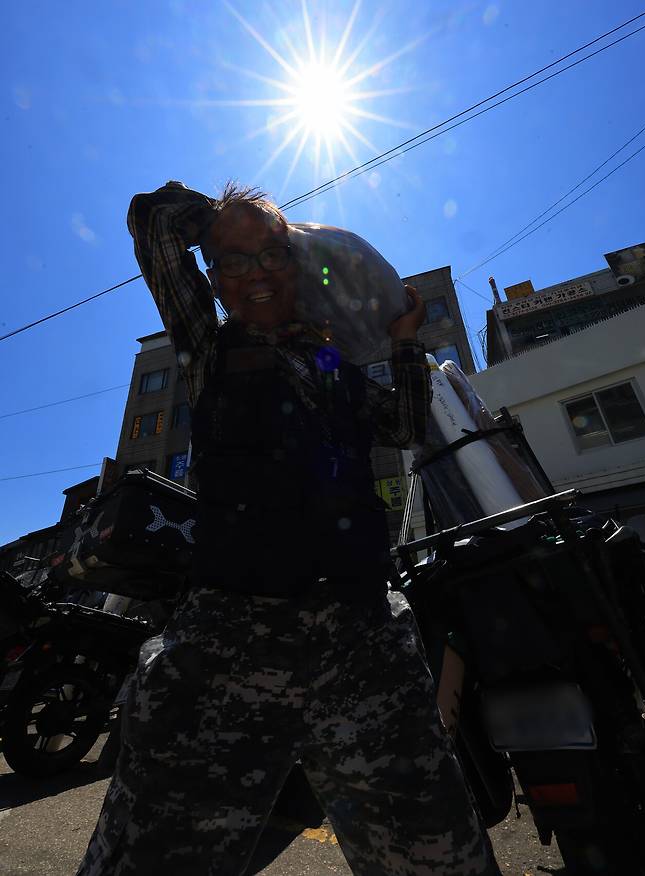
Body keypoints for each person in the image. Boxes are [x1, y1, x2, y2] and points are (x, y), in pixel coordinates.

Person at [76, 181, 500, 876]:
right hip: (228, 644)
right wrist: (229, 222)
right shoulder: (208, 346)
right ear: (215, 279)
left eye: (273, 256)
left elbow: (402, 424)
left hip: (365, 641)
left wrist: (403, 341)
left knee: (439, 855)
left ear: (298, 265)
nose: (258, 275)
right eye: (234, 263)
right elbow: (152, 224)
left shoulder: (328, 362)